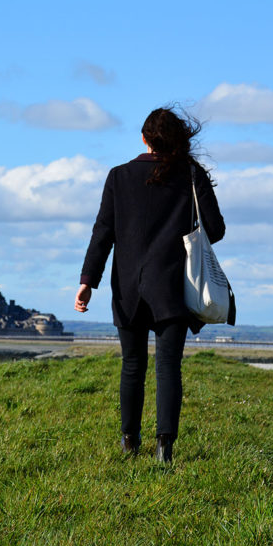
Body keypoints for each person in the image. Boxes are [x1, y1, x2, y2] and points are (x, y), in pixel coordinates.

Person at [75, 106, 226, 463]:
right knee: (168, 366)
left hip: (126, 284)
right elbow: (215, 230)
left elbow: (103, 233)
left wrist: (87, 281)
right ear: (177, 140)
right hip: (172, 284)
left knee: (132, 365)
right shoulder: (190, 174)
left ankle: (130, 441)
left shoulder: (118, 176)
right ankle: (164, 449)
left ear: (143, 139)